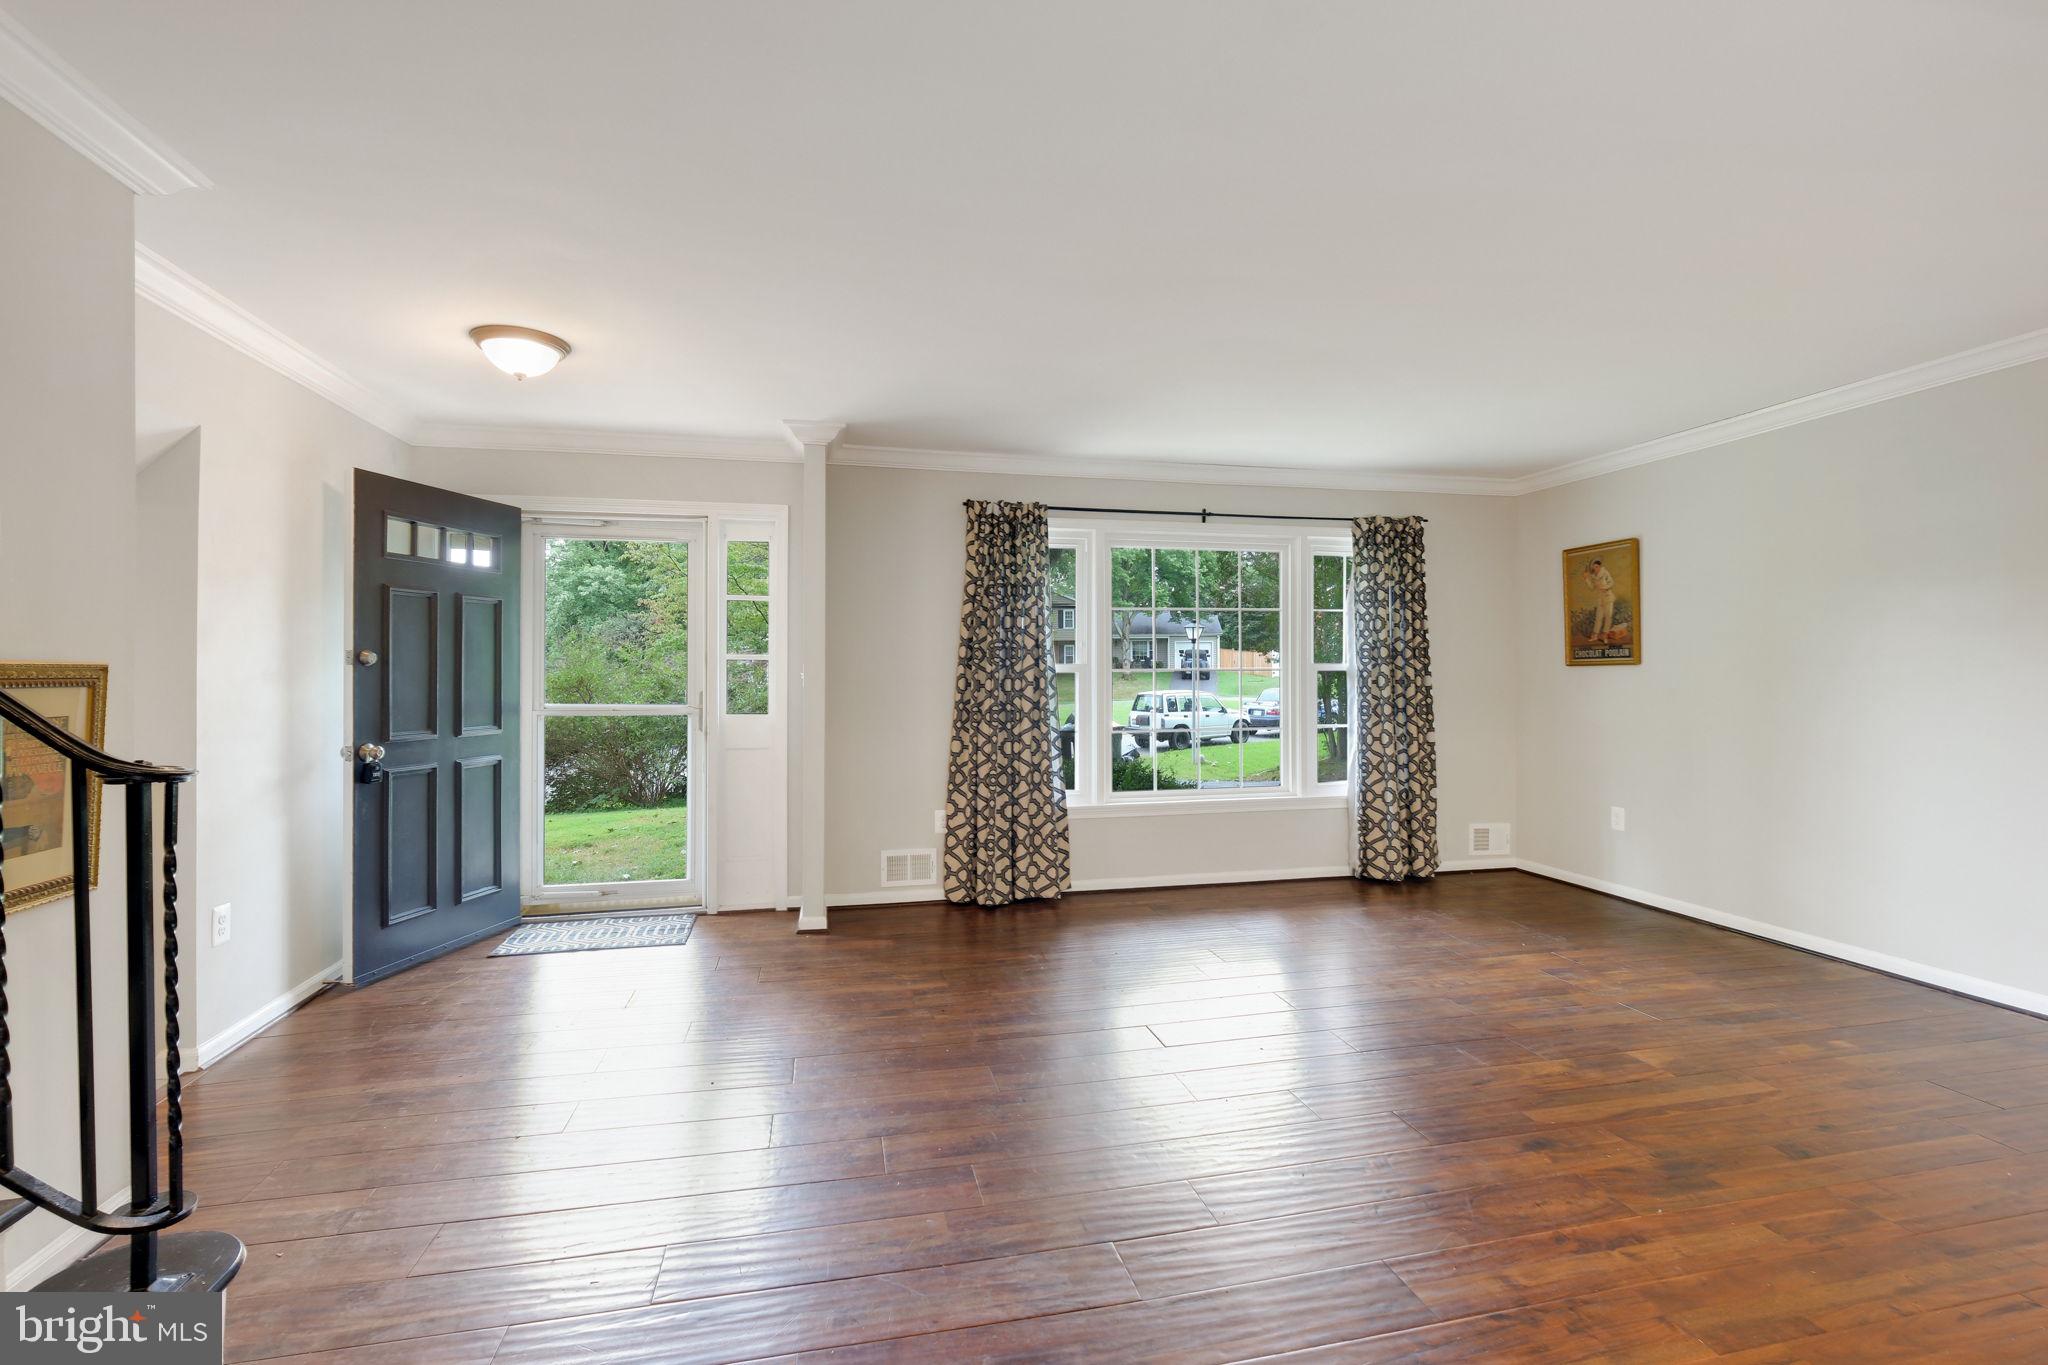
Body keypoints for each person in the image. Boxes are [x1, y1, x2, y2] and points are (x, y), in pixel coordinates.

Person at [1582, 558, 1616, 644]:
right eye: (1594, 567)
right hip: (1600, 599)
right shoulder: (1593, 576)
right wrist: (1586, 579)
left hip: (1608, 597)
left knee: (1608, 617)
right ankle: (1595, 636)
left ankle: (1605, 636)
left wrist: (1603, 587)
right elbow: (1592, 588)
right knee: (1598, 618)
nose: (1595, 569)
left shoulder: (1605, 573)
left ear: (1600, 566)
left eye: (1596, 567)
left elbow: (1611, 583)